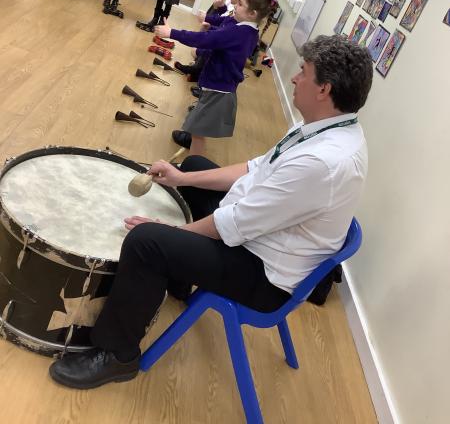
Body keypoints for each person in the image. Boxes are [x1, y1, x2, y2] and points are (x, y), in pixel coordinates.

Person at [48, 34, 373, 389]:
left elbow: (235, 223)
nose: (294, 78)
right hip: (263, 235)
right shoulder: (320, 128)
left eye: (303, 72)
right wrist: (182, 177)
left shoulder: (323, 163)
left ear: (324, 89)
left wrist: (169, 232)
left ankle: (116, 355)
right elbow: (253, 168)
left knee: (146, 242)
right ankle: (177, 278)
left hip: (264, 276)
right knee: (195, 165)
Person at [159, 0, 271, 155]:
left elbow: (207, 39)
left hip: (218, 91)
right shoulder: (249, 30)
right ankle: (192, 163)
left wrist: (172, 33)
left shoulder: (238, 32)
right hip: (219, 87)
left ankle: (192, 166)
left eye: (240, 4)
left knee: (197, 134)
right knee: (196, 132)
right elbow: (223, 35)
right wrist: (210, 25)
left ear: (252, 13)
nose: (235, 5)